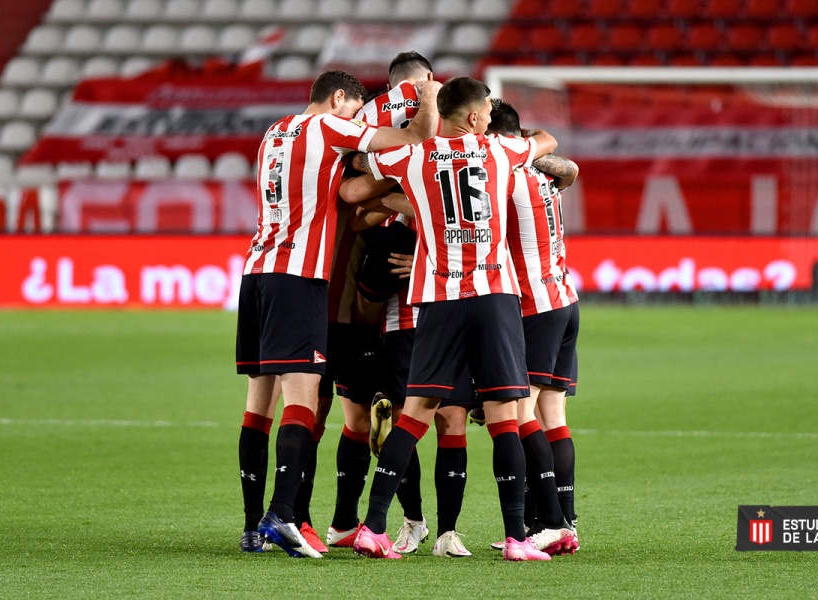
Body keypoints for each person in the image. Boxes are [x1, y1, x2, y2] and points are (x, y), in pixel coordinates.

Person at [349, 76, 558, 561]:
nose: (487, 114)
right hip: (491, 294)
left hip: (436, 298)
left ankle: (373, 527)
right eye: (484, 109)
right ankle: (515, 539)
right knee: (505, 412)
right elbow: (548, 141)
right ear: (474, 117)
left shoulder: (415, 156)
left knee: (417, 411)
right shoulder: (498, 150)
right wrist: (527, 144)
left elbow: (366, 162)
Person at [235, 69, 440, 557]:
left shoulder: (275, 130)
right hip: (297, 277)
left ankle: (251, 527)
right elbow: (415, 134)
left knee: (257, 406)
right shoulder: (328, 127)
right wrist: (428, 97)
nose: (355, 119)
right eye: (353, 108)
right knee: (302, 400)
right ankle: (282, 515)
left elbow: (341, 189)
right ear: (339, 98)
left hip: (256, 272)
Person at [487, 99, 581, 555]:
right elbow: (570, 168)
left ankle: (552, 521)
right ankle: (566, 521)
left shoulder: (501, 179)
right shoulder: (542, 176)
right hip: (563, 298)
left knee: (523, 415)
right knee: (553, 416)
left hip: (533, 307)